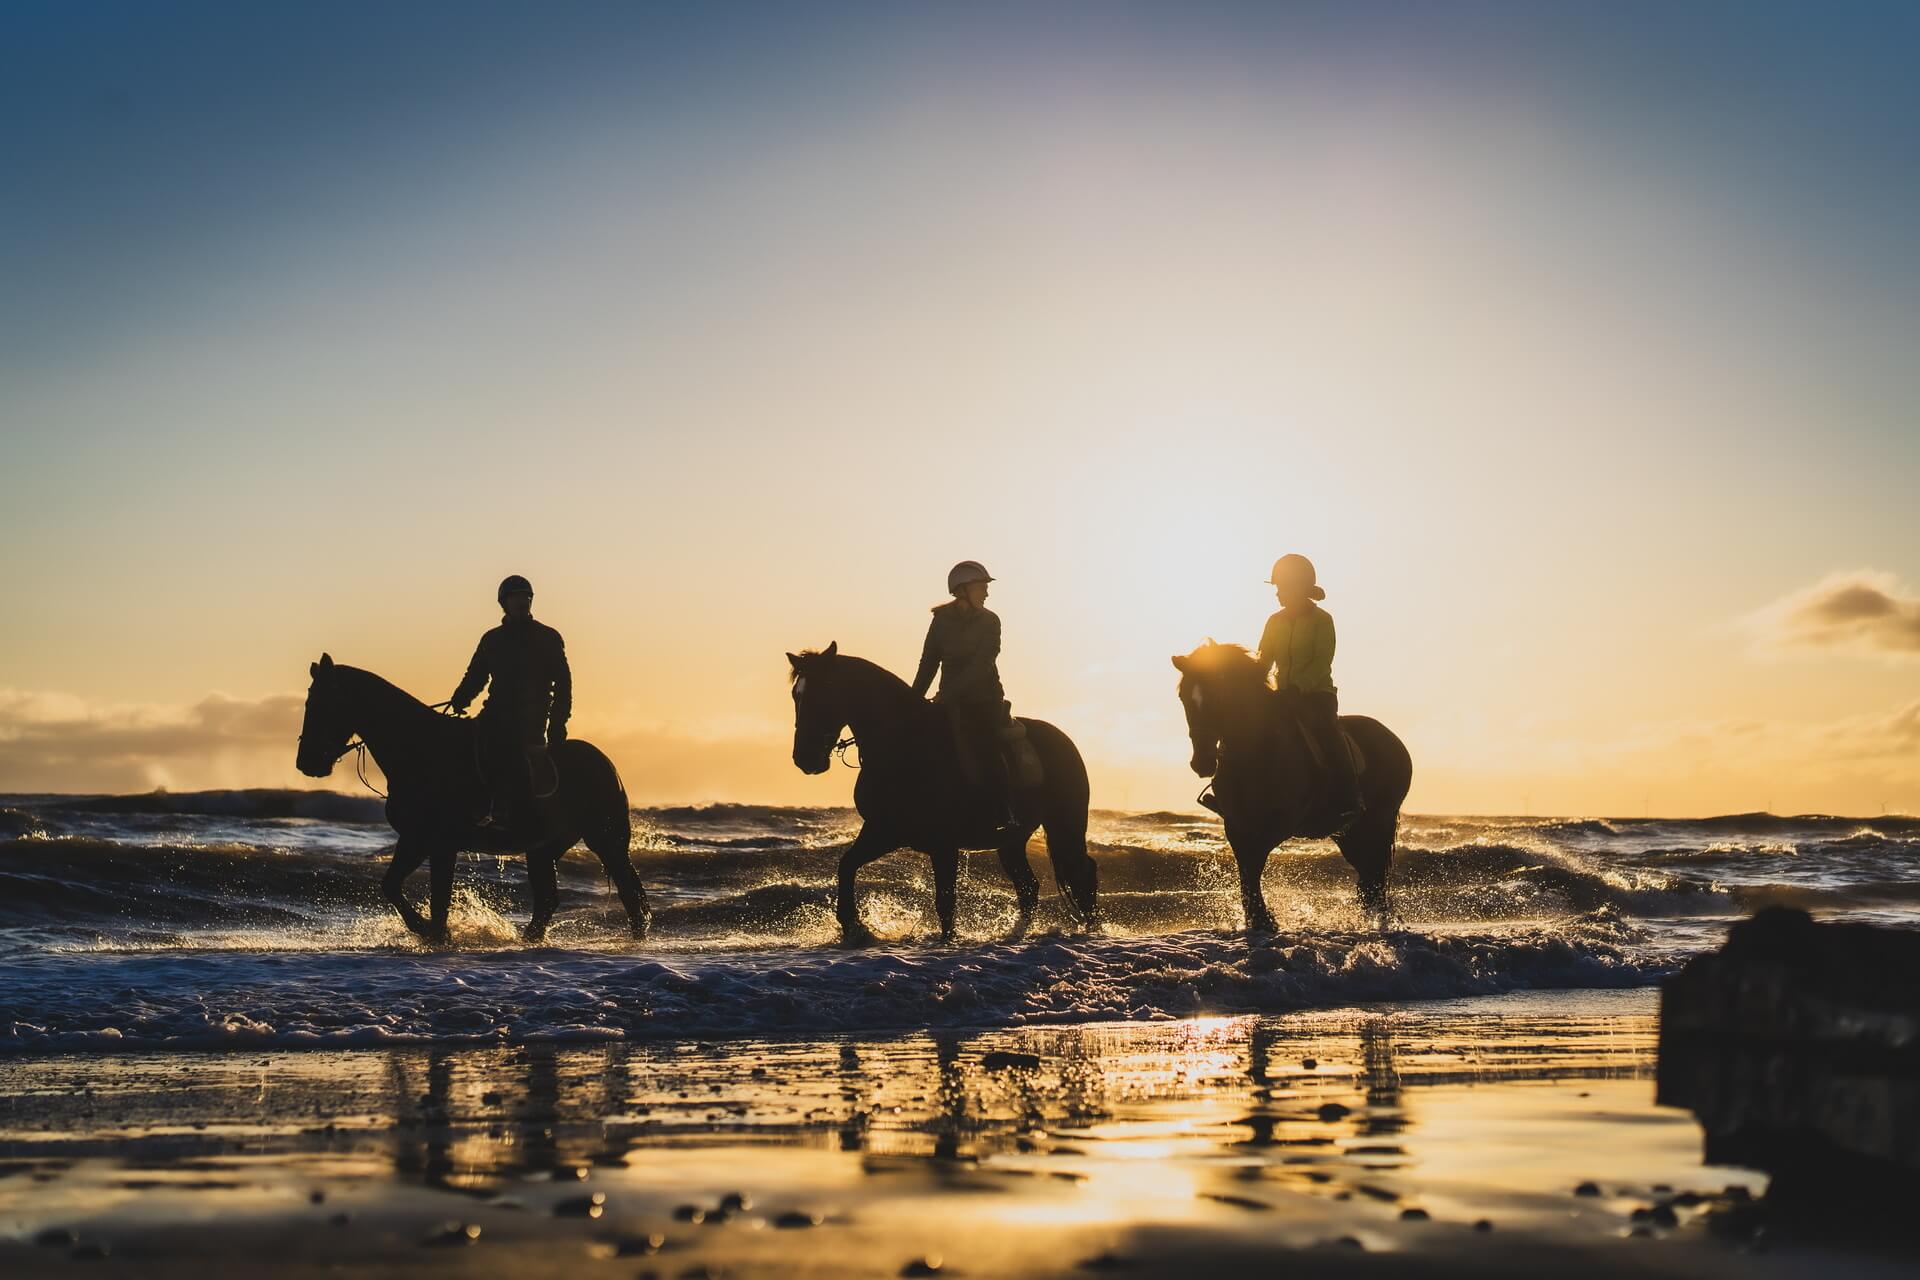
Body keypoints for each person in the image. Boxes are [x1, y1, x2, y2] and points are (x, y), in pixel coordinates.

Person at [449, 575, 571, 835]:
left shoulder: (547, 637)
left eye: (526, 597)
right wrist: (460, 698)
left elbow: (563, 683)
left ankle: (504, 812)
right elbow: (476, 676)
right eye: (516, 597)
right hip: (495, 713)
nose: (522, 602)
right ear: (504, 603)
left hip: (532, 717)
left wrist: (558, 722)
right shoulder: (491, 640)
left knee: (504, 749)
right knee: (463, 744)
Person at [1256, 554, 1363, 822]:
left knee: (1328, 733)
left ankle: (1349, 796)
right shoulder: (1274, 621)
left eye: (1282, 587)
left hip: (1316, 696)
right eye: (1277, 587)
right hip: (1281, 697)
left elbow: (1321, 661)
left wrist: (1298, 689)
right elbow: (1263, 658)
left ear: (1298, 588)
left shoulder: (1322, 620)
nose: (1278, 593)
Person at [912, 560, 1017, 834]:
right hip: (948, 700)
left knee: (985, 747)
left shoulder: (990, 621)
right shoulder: (940, 621)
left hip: (984, 701)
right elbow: (928, 664)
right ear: (964, 589)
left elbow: (981, 665)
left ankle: (1003, 811)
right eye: (982, 587)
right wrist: (911, 700)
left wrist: (947, 695)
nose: (986, 593)